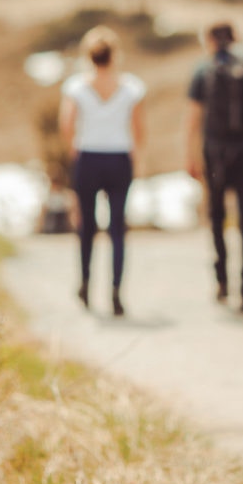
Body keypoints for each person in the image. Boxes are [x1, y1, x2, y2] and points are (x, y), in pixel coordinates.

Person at [184, 22, 243, 313]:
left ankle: (222, 281)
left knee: (217, 216)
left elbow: (193, 119)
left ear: (210, 40)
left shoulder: (204, 70)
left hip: (215, 153)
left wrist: (191, 156)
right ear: (234, 39)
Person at [59, 26, 145, 317]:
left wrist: (75, 149)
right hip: (119, 157)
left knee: (87, 226)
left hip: (89, 157)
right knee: (118, 229)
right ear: (115, 55)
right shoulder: (131, 87)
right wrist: (134, 154)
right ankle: (116, 292)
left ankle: (84, 283)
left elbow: (66, 125)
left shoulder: (77, 87)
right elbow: (139, 130)